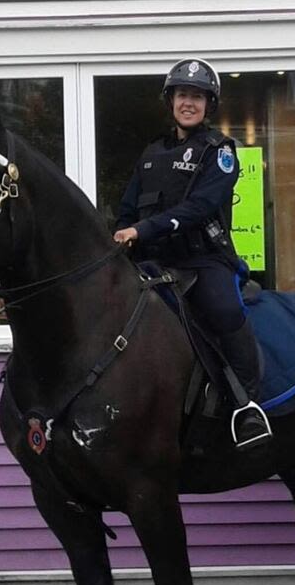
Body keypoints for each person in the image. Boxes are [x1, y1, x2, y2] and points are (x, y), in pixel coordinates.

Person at [112, 58, 271, 450]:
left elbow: (199, 207)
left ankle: (247, 405)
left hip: (203, 261)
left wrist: (143, 229)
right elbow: (128, 210)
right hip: (153, 262)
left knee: (224, 310)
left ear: (208, 106)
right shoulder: (150, 154)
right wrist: (120, 236)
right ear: (171, 101)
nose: (189, 103)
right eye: (183, 95)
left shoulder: (220, 151)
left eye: (197, 97)